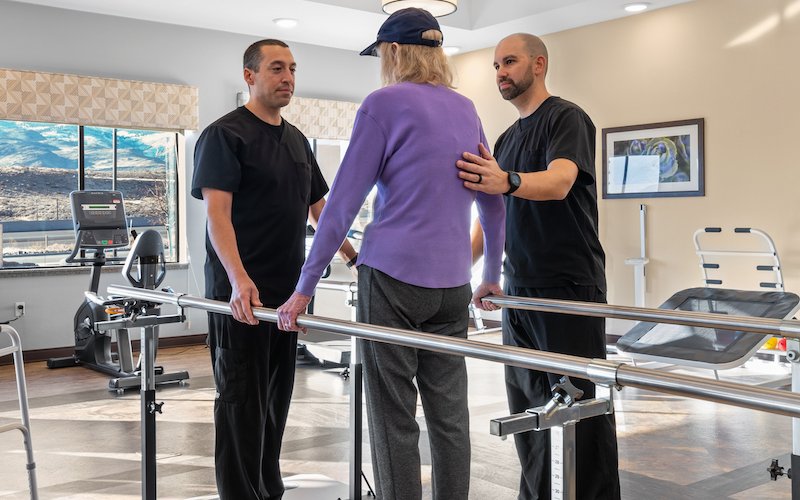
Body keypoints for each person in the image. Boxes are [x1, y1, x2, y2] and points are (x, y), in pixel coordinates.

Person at [276, 8, 505, 500]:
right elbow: (493, 199)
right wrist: (490, 274)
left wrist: (303, 290)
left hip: (392, 280)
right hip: (453, 285)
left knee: (392, 415)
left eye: (382, 53)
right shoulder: (466, 109)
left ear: (395, 50)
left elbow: (340, 206)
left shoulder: (383, 103)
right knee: (450, 416)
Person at [190, 39, 357, 500]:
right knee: (241, 399)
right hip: (240, 297)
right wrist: (239, 279)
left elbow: (321, 210)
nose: (288, 78)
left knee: (276, 398)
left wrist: (354, 258)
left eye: (292, 69)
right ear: (250, 76)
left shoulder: (297, 140)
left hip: (287, 297)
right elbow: (217, 216)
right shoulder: (224, 135)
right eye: (277, 68)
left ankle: (269, 488)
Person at [458, 34, 621, 499]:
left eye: (509, 62)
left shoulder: (566, 118)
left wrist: (506, 179)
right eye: (496, 65)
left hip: (568, 286)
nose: (500, 73)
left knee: (577, 410)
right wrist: (455, 271)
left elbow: (559, 181)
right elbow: (492, 220)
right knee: (529, 413)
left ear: (539, 64)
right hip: (518, 290)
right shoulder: (506, 139)